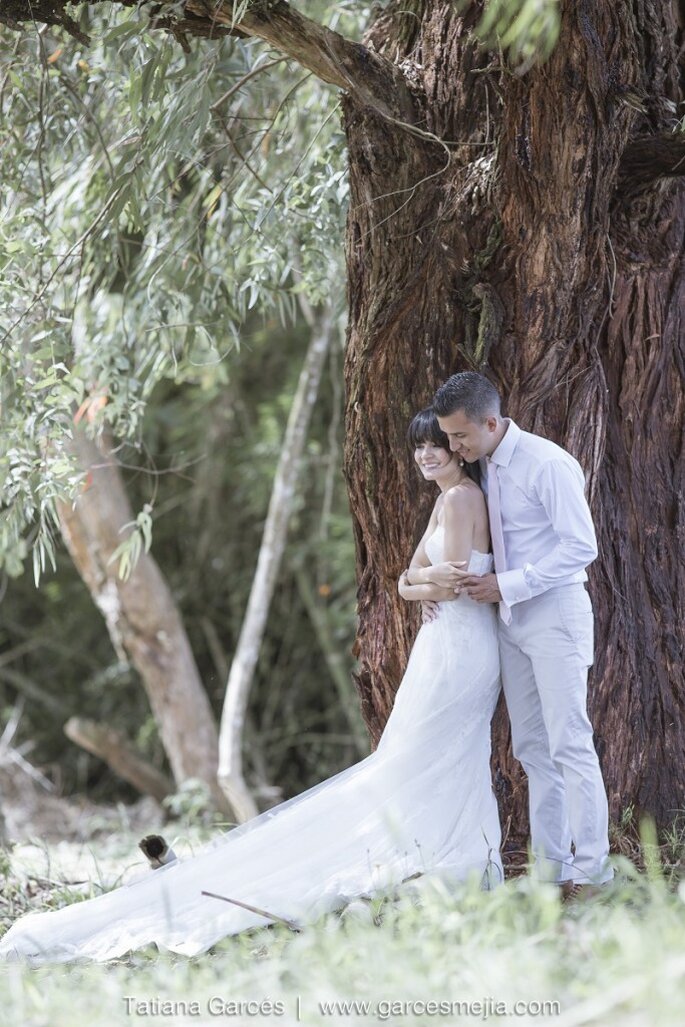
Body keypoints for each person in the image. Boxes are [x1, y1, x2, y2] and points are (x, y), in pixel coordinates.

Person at [0, 408, 502, 965]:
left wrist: (420, 581)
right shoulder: (443, 499)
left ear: (459, 450)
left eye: (436, 446)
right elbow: (407, 580)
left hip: (461, 649)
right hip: (443, 648)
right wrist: (417, 581)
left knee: (432, 755)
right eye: (419, 448)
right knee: (415, 757)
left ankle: (451, 856)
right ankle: (439, 854)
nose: (426, 456)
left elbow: (451, 582)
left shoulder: (461, 500)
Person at [433, 371, 613, 895]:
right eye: (449, 437)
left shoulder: (547, 463)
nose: (454, 446)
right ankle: (549, 869)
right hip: (512, 622)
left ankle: (594, 869)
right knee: (532, 749)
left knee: (570, 742)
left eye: (461, 435)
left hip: (554, 615)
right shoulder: (485, 465)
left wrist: (508, 583)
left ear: (492, 421)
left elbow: (582, 546)